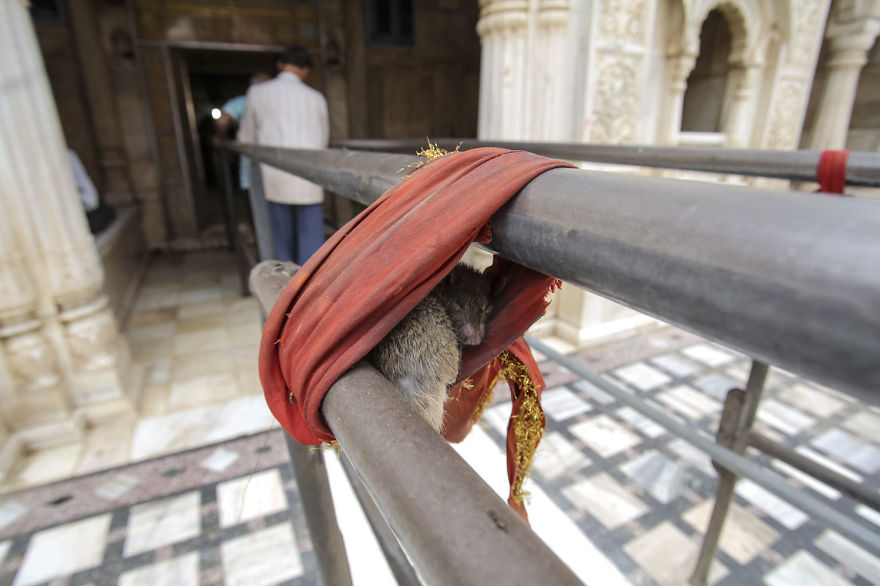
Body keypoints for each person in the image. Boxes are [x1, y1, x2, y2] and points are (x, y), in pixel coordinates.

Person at [238, 45, 330, 264]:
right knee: (311, 245)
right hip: (310, 177)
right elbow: (323, 139)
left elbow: (246, 138)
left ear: (280, 65)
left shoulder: (258, 92)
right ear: (306, 70)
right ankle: (309, 288)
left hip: (273, 177)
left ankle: (285, 288)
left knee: (280, 242)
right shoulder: (316, 98)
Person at [213, 71, 271, 191]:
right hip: (274, 165)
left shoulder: (244, 101)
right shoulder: (274, 102)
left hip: (252, 161)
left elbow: (222, 121)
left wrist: (220, 138)